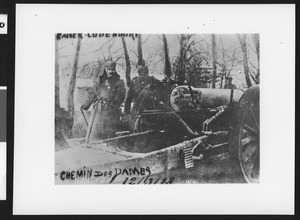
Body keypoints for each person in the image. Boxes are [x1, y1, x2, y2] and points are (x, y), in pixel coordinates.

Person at [81, 60, 125, 140]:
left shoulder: (119, 81)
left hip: (111, 111)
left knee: (109, 131)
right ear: (105, 69)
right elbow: (93, 93)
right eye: (109, 69)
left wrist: (112, 106)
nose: (111, 71)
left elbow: (120, 96)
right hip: (98, 110)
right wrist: (86, 105)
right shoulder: (100, 80)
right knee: (96, 130)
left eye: (113, 69)